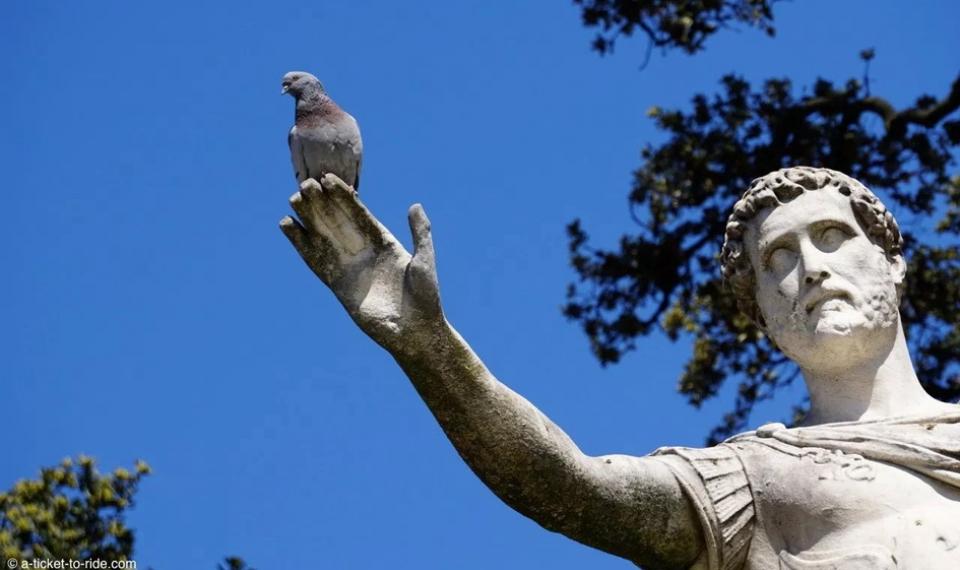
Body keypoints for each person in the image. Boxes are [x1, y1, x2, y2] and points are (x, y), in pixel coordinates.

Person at [279, 166, 959, 569]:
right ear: (762, 314)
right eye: (777, 259)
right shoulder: (752, 477)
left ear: (894, 262)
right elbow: (568, 488)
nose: (809, 268)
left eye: (832, 237)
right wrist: (429, 347)